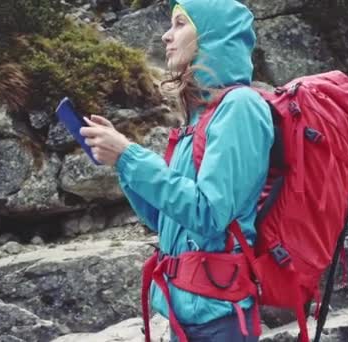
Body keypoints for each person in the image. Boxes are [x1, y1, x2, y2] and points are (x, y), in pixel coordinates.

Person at [80, 0, 273, 340]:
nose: (167, 36)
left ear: (212, 35)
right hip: (185, 309)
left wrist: (129, 155)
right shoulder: (200, 116)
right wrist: (123, 164)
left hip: (221, 320)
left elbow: (209, 215)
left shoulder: (240, 108)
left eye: (180, 24)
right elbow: (165, 218)